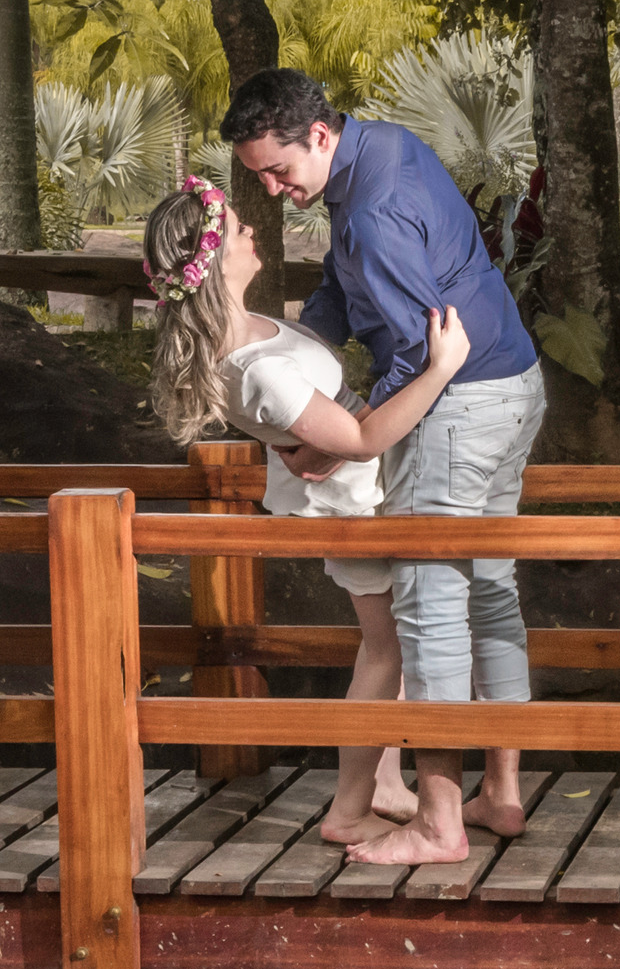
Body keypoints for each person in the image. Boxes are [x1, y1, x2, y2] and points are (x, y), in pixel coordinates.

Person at [221, 68, 547, 869]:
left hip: (460, 402)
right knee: (491, 583)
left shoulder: (370, 208)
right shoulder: (381, 150)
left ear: (319, 135)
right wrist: (308, 348)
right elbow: (342, 284)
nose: (273, 187)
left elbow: (411, 353)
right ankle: (500, 793)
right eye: (259, 173)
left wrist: (337, 436)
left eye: (279, 170)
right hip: (514, 384)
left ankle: (439, 827)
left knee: (431, 604)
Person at [143, 174, 471, 843]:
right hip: (357, 508)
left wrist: (300, 441)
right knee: (386, 652)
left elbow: (311, 419)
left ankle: (380, 782)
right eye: (237, 229)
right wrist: (442, 368)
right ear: (210, 263)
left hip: (361, 491)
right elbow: (364, 437)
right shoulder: (254, 368)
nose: (252, 230)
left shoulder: (249, 336)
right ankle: (346, 810)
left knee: (397, 648)